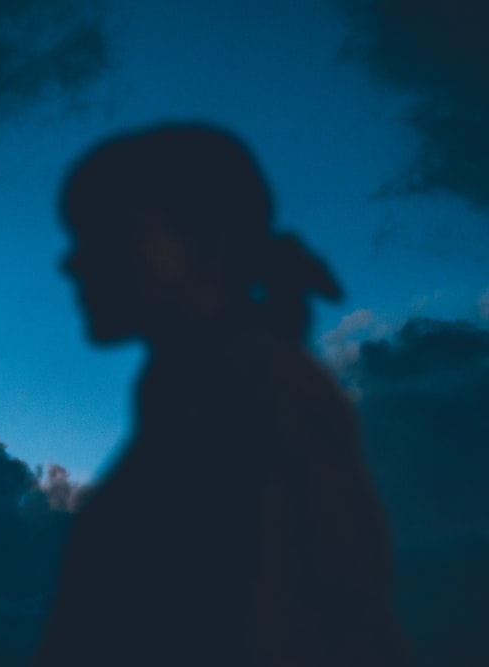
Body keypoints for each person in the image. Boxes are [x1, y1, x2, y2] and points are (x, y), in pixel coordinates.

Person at [33, 124, 412, 666]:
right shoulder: (218, 397)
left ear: (207, 243)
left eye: (111, 230)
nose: (71, 262)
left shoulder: (251, 401)